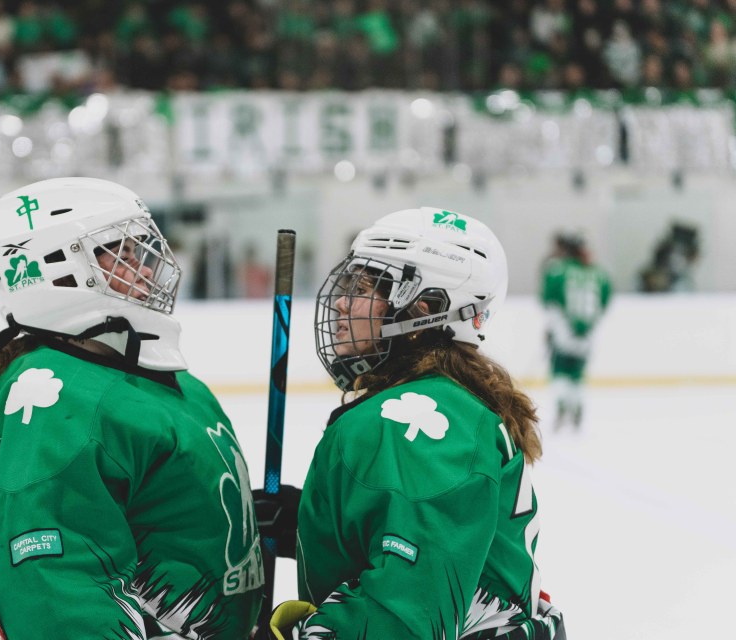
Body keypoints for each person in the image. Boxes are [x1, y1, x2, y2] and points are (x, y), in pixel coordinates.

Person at [0, 177, 264, 638]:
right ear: (56, 271)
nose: (147, 270)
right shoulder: (58, 400)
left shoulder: (168, 382)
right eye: (121, 254)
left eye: (142, 252)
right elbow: (55, 592)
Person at [257, 208, 565, 639]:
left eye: (362, 288)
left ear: (425, 309)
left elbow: (406, 609)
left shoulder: (415, 419)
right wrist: (313, 524)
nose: (342, 301)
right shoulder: (447, 402)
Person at [542, 232, 611, 430]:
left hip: (563, 331)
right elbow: (604, 301)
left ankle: (562, 405)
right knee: (577, 374)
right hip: (587, 334)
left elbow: (548, 300)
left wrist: (552, 328)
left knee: (559, 371)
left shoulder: (557, 270)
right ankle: (577, 405)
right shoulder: (599, 273)